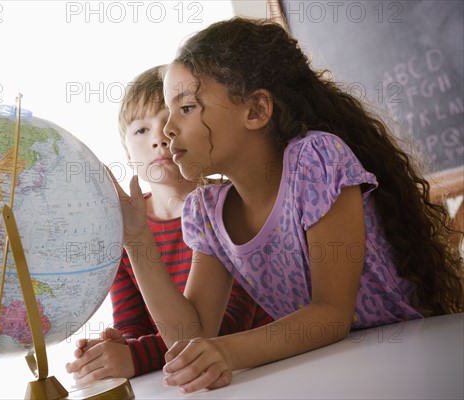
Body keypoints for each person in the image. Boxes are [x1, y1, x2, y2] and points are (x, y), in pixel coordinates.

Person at [109, 18, 464, 393]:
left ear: (256, 110)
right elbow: (191, 333)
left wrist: (227, 352)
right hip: (329, 373)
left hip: (414, 359)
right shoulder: (207, 213)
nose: (167, 131)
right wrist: (136, 241)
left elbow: (331, 315)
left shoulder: (316, 162)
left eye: (187, 108)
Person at [65, 65, 272, 385]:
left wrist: (135, 357)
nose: (159, 139)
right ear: (126, 150)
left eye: (169, 123)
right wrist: (115, 347)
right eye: (141, 130)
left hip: (261, 374)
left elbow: (226, 328)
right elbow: (133, 323)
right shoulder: (124, 225)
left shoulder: (230, 205)